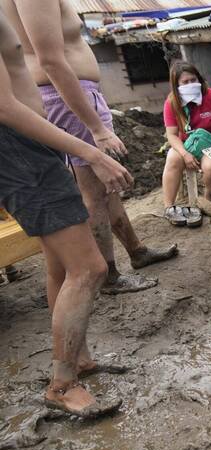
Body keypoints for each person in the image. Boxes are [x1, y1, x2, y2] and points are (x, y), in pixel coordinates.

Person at [0, 11, 133, 416]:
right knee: (89, 269)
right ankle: (61, 385)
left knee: (60, 265)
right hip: (18, 148)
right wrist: (89, 149)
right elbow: (3, 107)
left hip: (30, 146)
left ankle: (80, 360)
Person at [3, 0, 178, 294]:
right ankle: (109, 275)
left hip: (73, 97)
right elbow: (51, 61)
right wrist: (96, 127)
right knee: (94, 191)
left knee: (104, 185)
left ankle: (135, 251)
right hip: (69, 101)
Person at [161, 61, 211, 225]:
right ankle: (169, 208)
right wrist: (185, 153)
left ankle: (207, 198)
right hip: (186, 145)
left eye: (193, 80)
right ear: (176, 85)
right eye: (185, 82)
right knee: (172, 159)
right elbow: (172, 135)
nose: (191, 84)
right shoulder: (172, 103)